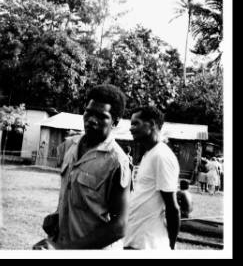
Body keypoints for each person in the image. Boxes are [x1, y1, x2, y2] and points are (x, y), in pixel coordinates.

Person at [35, 84, 131, 250]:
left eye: (101, 116)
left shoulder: (117, 162)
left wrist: (63, 250)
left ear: (115, 122)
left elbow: (119, 226)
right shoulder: (72, 145)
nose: (92, 120)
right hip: (64, 241)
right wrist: (57, 217)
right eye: (89, 112)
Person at [123, 106, 180, 250]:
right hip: (135, 239)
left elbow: (172, 208)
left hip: (148, 244)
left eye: (136, 123)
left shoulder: (161, 156)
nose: (131, 128)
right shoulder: (149, 154)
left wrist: (171, 248)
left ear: (152, 124)